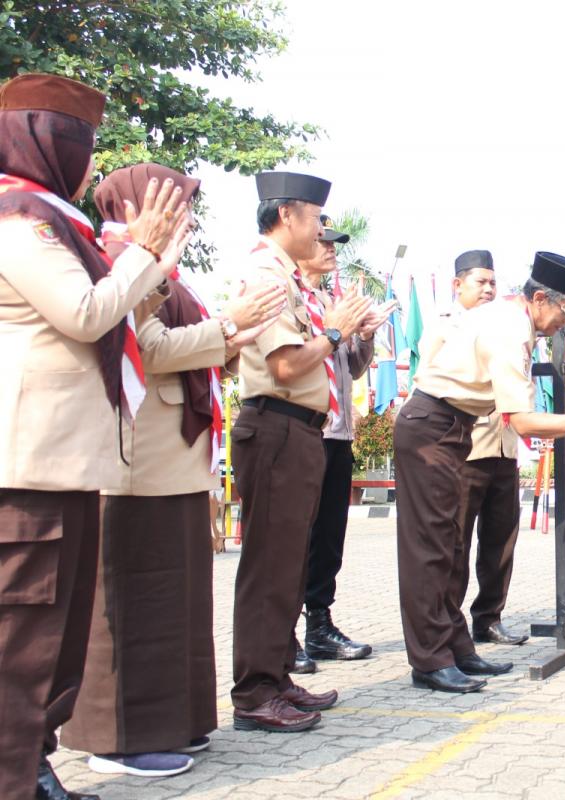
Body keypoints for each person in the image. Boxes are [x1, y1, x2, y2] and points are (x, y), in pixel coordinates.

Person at [59, 164, 285, 778]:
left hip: (175, 459)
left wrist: (233, 335)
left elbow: (191, 347)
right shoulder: (116, 260)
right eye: (174, 202)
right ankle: (117, 739)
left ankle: (172, 722)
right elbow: (150, 349)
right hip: (140, 460)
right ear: (136, 206)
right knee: (134, 602)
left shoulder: (163, 267)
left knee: (175, 603)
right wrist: (229, 326)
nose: (186, 215)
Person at [0, 73, 189, 800]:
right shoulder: (19, 220)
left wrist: (149, 260)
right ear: (47, 146)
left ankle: (30, 764)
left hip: (67, 463)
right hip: (29, 466)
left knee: (54, 639)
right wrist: (142, 253)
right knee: (22, 640)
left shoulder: (53, 221)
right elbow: (85, 313)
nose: (88, 163)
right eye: (80, 144)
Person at [395, 251, 565, 693]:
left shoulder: (508, 317)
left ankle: (456, 649)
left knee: (447, 548)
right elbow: (523, 421)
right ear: (539, 299)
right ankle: (429, 662)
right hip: (432, 428)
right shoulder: (510, 328)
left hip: (451, 428)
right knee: (431, 551)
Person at [229, 171, 371, 732]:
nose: (320, 232)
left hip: (301, 431)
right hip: (276, 427)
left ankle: (277, 676)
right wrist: (334, 333)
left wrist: (343, 332)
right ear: (286, 215)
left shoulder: (289, 276)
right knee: (269, 569)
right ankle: (254, 693)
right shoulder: (265, 275)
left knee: (289, 567)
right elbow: (287, 365)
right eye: (315, 219)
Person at [292, 215, 393, 673]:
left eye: (335, 242)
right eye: (324, 241)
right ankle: (283, 633)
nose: (332, 249)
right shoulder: (291, 297)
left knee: (329, 537)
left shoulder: (331, 303)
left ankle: (319, 625)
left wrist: (364, 335)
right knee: (295, 537)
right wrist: (333, 330)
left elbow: (350, 366)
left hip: (337, 432)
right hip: (304, 430)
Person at [424, 250, 529, 647]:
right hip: (465, 449)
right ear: (457, 285)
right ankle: (449, 625)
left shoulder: (506, 326)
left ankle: (489, 618)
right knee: (456, 543)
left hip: (504, 446)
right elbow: (430, 382)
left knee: (501, 542)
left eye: (493, 283)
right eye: (480, 282)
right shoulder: (445, 326)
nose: (488, 289)